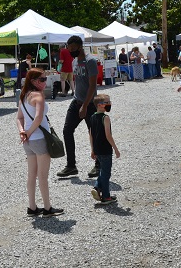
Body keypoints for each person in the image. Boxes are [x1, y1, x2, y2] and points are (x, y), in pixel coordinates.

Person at [16, 67, 64, 217]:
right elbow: (38, 118)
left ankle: (32, 207)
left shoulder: (24, 96)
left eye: (45, 79)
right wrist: (28, 132)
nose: (45, 82)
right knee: (43, 176)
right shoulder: (38, 96)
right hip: (39, 138)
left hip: (28, 141)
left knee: (31, 175)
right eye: (42, 79)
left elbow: (19, 117)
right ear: (33, 81)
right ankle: (48, 208)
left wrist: (22, 132)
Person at [58, 35, 100, 178]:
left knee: (94, 133)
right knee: (67, 131)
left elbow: (93, 86)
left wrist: (85, 105)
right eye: (69, 49)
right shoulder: (75, 61)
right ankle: (71, 166)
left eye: (74, 49)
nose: (71, 52)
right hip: (76, 102)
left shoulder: (90, 61)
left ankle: (99, 165)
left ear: (80, 47)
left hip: (90, 104)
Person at [89, 94, 120, 205]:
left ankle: (97, 188)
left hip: (97, 149)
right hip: (105, 149)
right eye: (107, 102)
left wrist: (92, 149)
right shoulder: (105, 118)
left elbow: (91, 134)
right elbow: (108, 135)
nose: (109, 104)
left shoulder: (92, 117)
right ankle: (106, 196)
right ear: (100, 105)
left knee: (102, 170)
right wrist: (115, 148)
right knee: (106, 173)